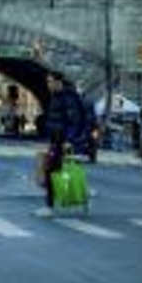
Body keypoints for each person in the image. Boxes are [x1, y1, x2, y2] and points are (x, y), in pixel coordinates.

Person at [38, 73, 88, 212]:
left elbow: (74, 121)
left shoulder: (68, 98)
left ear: (59, 82)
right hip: (56, 140)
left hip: (63, 141)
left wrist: (69, 140)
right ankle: (77, 200)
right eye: (47, 82)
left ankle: (50, 206)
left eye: (50, 82)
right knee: (58, 171)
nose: (48, 85)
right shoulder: (56, 96)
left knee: (51, 172)